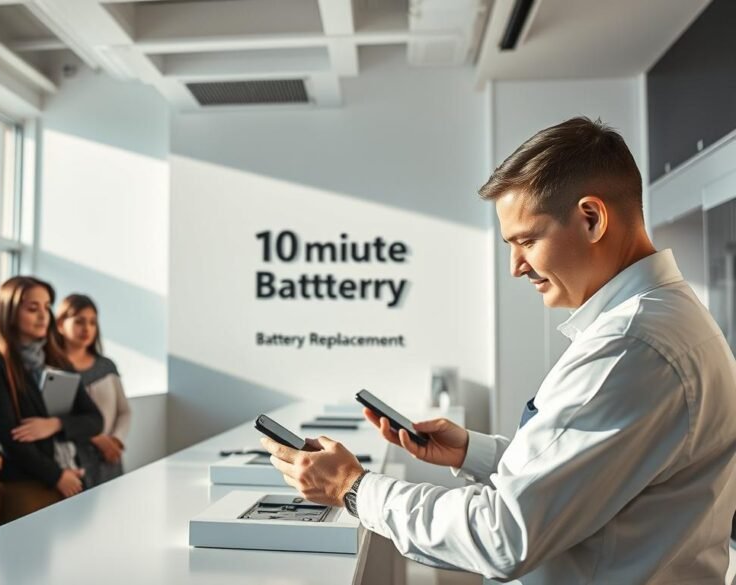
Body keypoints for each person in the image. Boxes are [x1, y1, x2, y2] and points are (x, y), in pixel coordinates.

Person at [262, 117, 736, 583]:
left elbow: (502, 535)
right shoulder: (665, 319)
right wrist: (473, 453)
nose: (516, 267)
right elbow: (591, 470)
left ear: (591, 218)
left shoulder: (632, 346)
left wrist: (352, 487)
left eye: (526, 240)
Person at [0, 277, 103, 524]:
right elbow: (7, 438)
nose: (43, 315)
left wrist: (56, 424)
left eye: (47, 307)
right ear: (9, 313)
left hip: (70, 478)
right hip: (26, 487)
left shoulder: (56, 361)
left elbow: (94, 420)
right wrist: (56, 476)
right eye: (33, 308)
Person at [53, 294, 131, 485]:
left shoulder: (106, 366)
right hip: (73, 462)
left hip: (110, 458)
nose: (87, 328)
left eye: (92, 322)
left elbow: (124, 411)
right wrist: (97, 438)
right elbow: (58, 417)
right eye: (79, 321)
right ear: (61, 324)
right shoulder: (53, 370)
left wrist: (115, 441)